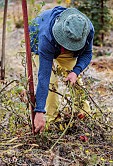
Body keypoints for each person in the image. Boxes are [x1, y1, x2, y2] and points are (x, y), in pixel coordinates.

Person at [29, 6, 94, 134]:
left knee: (75, 81)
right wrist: (39, 110)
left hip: (63, 48)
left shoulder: (87, 29)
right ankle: (52, 120)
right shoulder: (45, 37)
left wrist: (75, 71)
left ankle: (84, 114)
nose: (66, 46)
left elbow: (87, 53)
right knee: (51, 82)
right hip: (41, 44)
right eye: (66, 43)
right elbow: (44, 76)